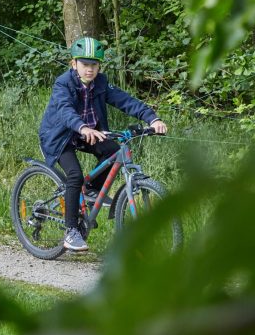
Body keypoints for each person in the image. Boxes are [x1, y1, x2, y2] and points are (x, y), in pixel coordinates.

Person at [38, 36, 168, 252]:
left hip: (87, 133)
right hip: (60, 137)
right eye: (85, 64)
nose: (90, 69)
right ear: (74, 64)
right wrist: (82, 127)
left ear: (99, 66)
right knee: (74, 175)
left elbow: (125, 100)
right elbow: (65, 110)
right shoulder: (63, 83)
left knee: (112, 150)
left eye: (94, 65)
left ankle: (89, 190)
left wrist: (152, 118)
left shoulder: (101, 82)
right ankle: (71, 231)